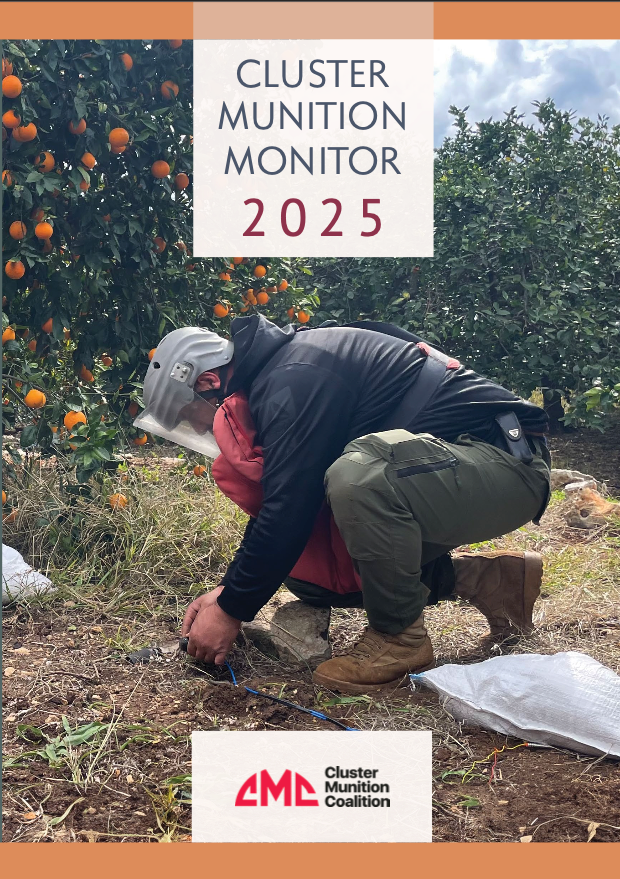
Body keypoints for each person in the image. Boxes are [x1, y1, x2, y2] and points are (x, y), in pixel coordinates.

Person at [139, 314, 551, 694]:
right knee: (313, 577)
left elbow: (290, 507)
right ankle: (490, 582)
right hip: (446, 473)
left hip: (505, 466)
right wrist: (230, 591)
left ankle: (399, 638)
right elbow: (284, 504)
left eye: (195, 418)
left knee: (359, 478)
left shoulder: (294, 376)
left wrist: (231, 609)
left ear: (209, 382)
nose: (201, 430)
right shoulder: (280, 376)